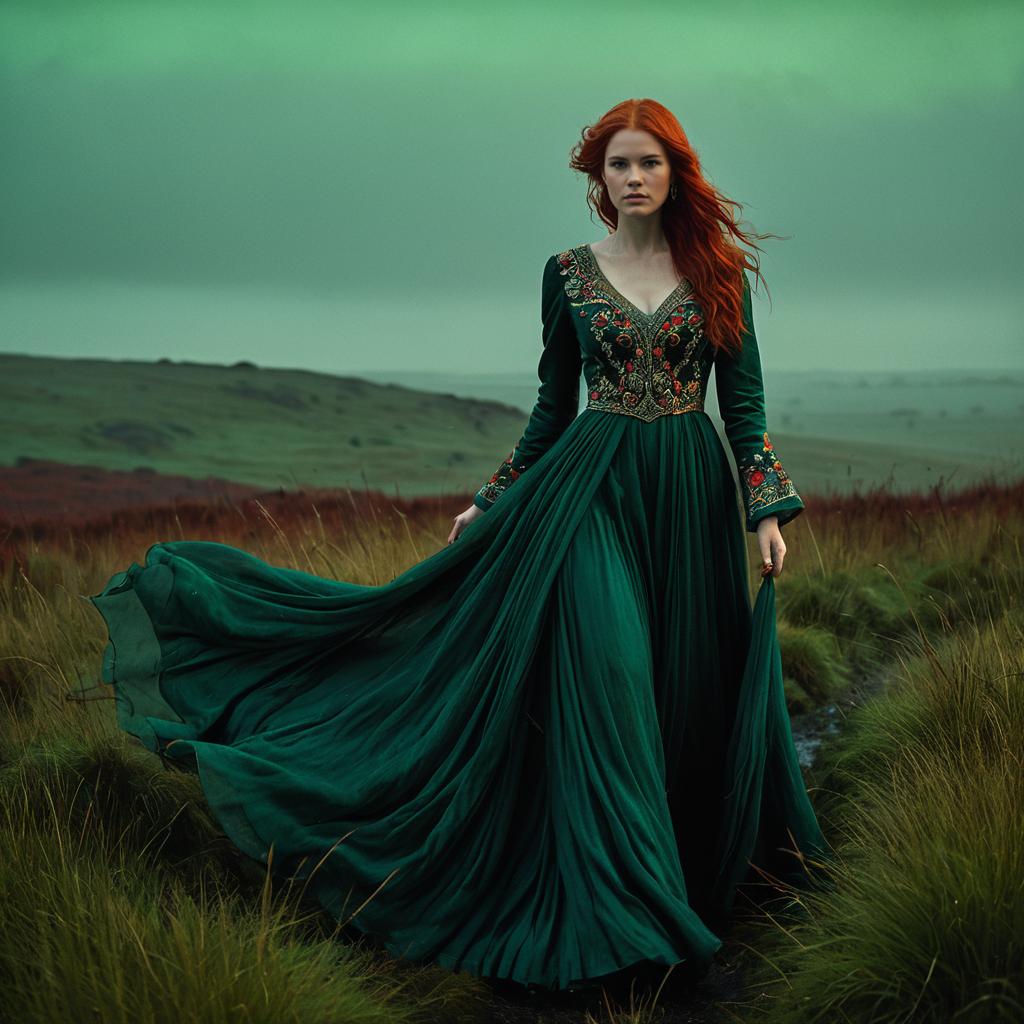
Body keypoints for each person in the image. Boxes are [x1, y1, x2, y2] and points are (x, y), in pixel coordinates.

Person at [87, 98, 831, 993]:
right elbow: (553, 408)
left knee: (682, 690)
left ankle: (680, 878)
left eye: (649, 163)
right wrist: (491, 499)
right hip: (585, 495)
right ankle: (628, 922)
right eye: (618, 164)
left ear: (676, 173)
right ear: (598, 179)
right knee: (612, 677)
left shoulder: (718, 272)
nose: (634, 178)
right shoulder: (568, 274)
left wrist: (766, 511)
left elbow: (744, 408)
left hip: (688, 498)